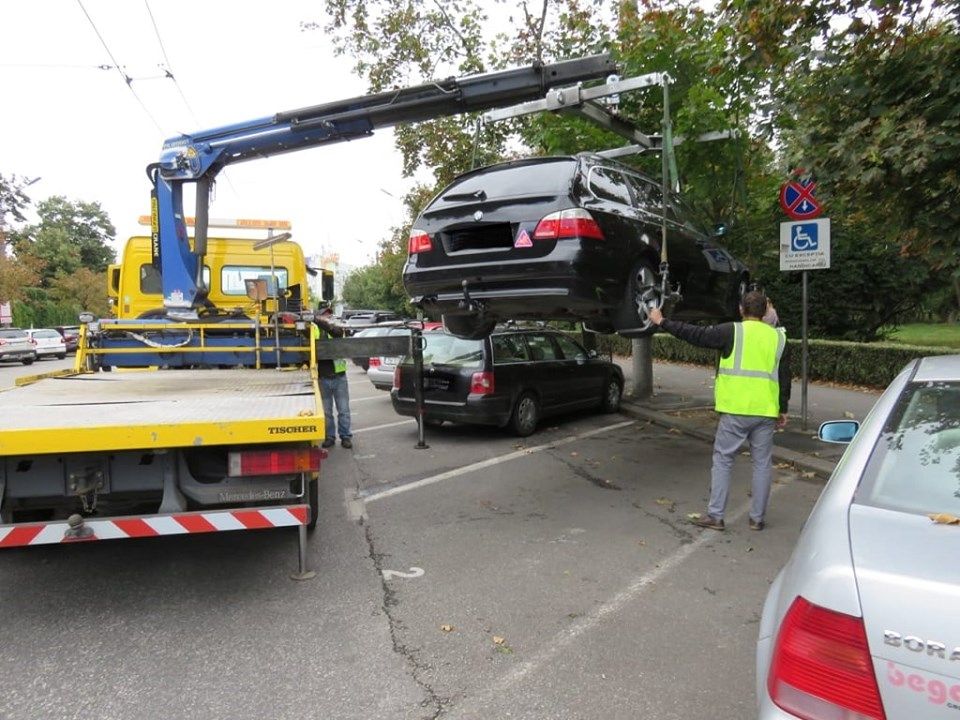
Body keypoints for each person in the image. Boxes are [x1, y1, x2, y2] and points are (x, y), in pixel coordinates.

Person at [648, 291, 790, 531]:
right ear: (765, 311)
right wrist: (782, 408)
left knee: (723, 460)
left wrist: (662, 321)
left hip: (735, 410)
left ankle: (716, 516)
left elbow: (695, 334)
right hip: (766, 411)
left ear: (741, 309)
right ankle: (757, 519)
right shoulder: (779, 338)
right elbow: (784, 377)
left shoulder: (730, 331)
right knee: (762, 464)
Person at [313, 305, 353, 449]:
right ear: (319, 316)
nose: (329, 317)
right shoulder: (314, 330)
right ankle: (329, 436)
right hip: (322, 377)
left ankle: (346, 436)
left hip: (339, 377)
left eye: (330, 315)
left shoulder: (336, 329)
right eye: (325, 315)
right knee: (326, 412)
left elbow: (335, 332)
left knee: (343, 410)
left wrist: (319, 321)